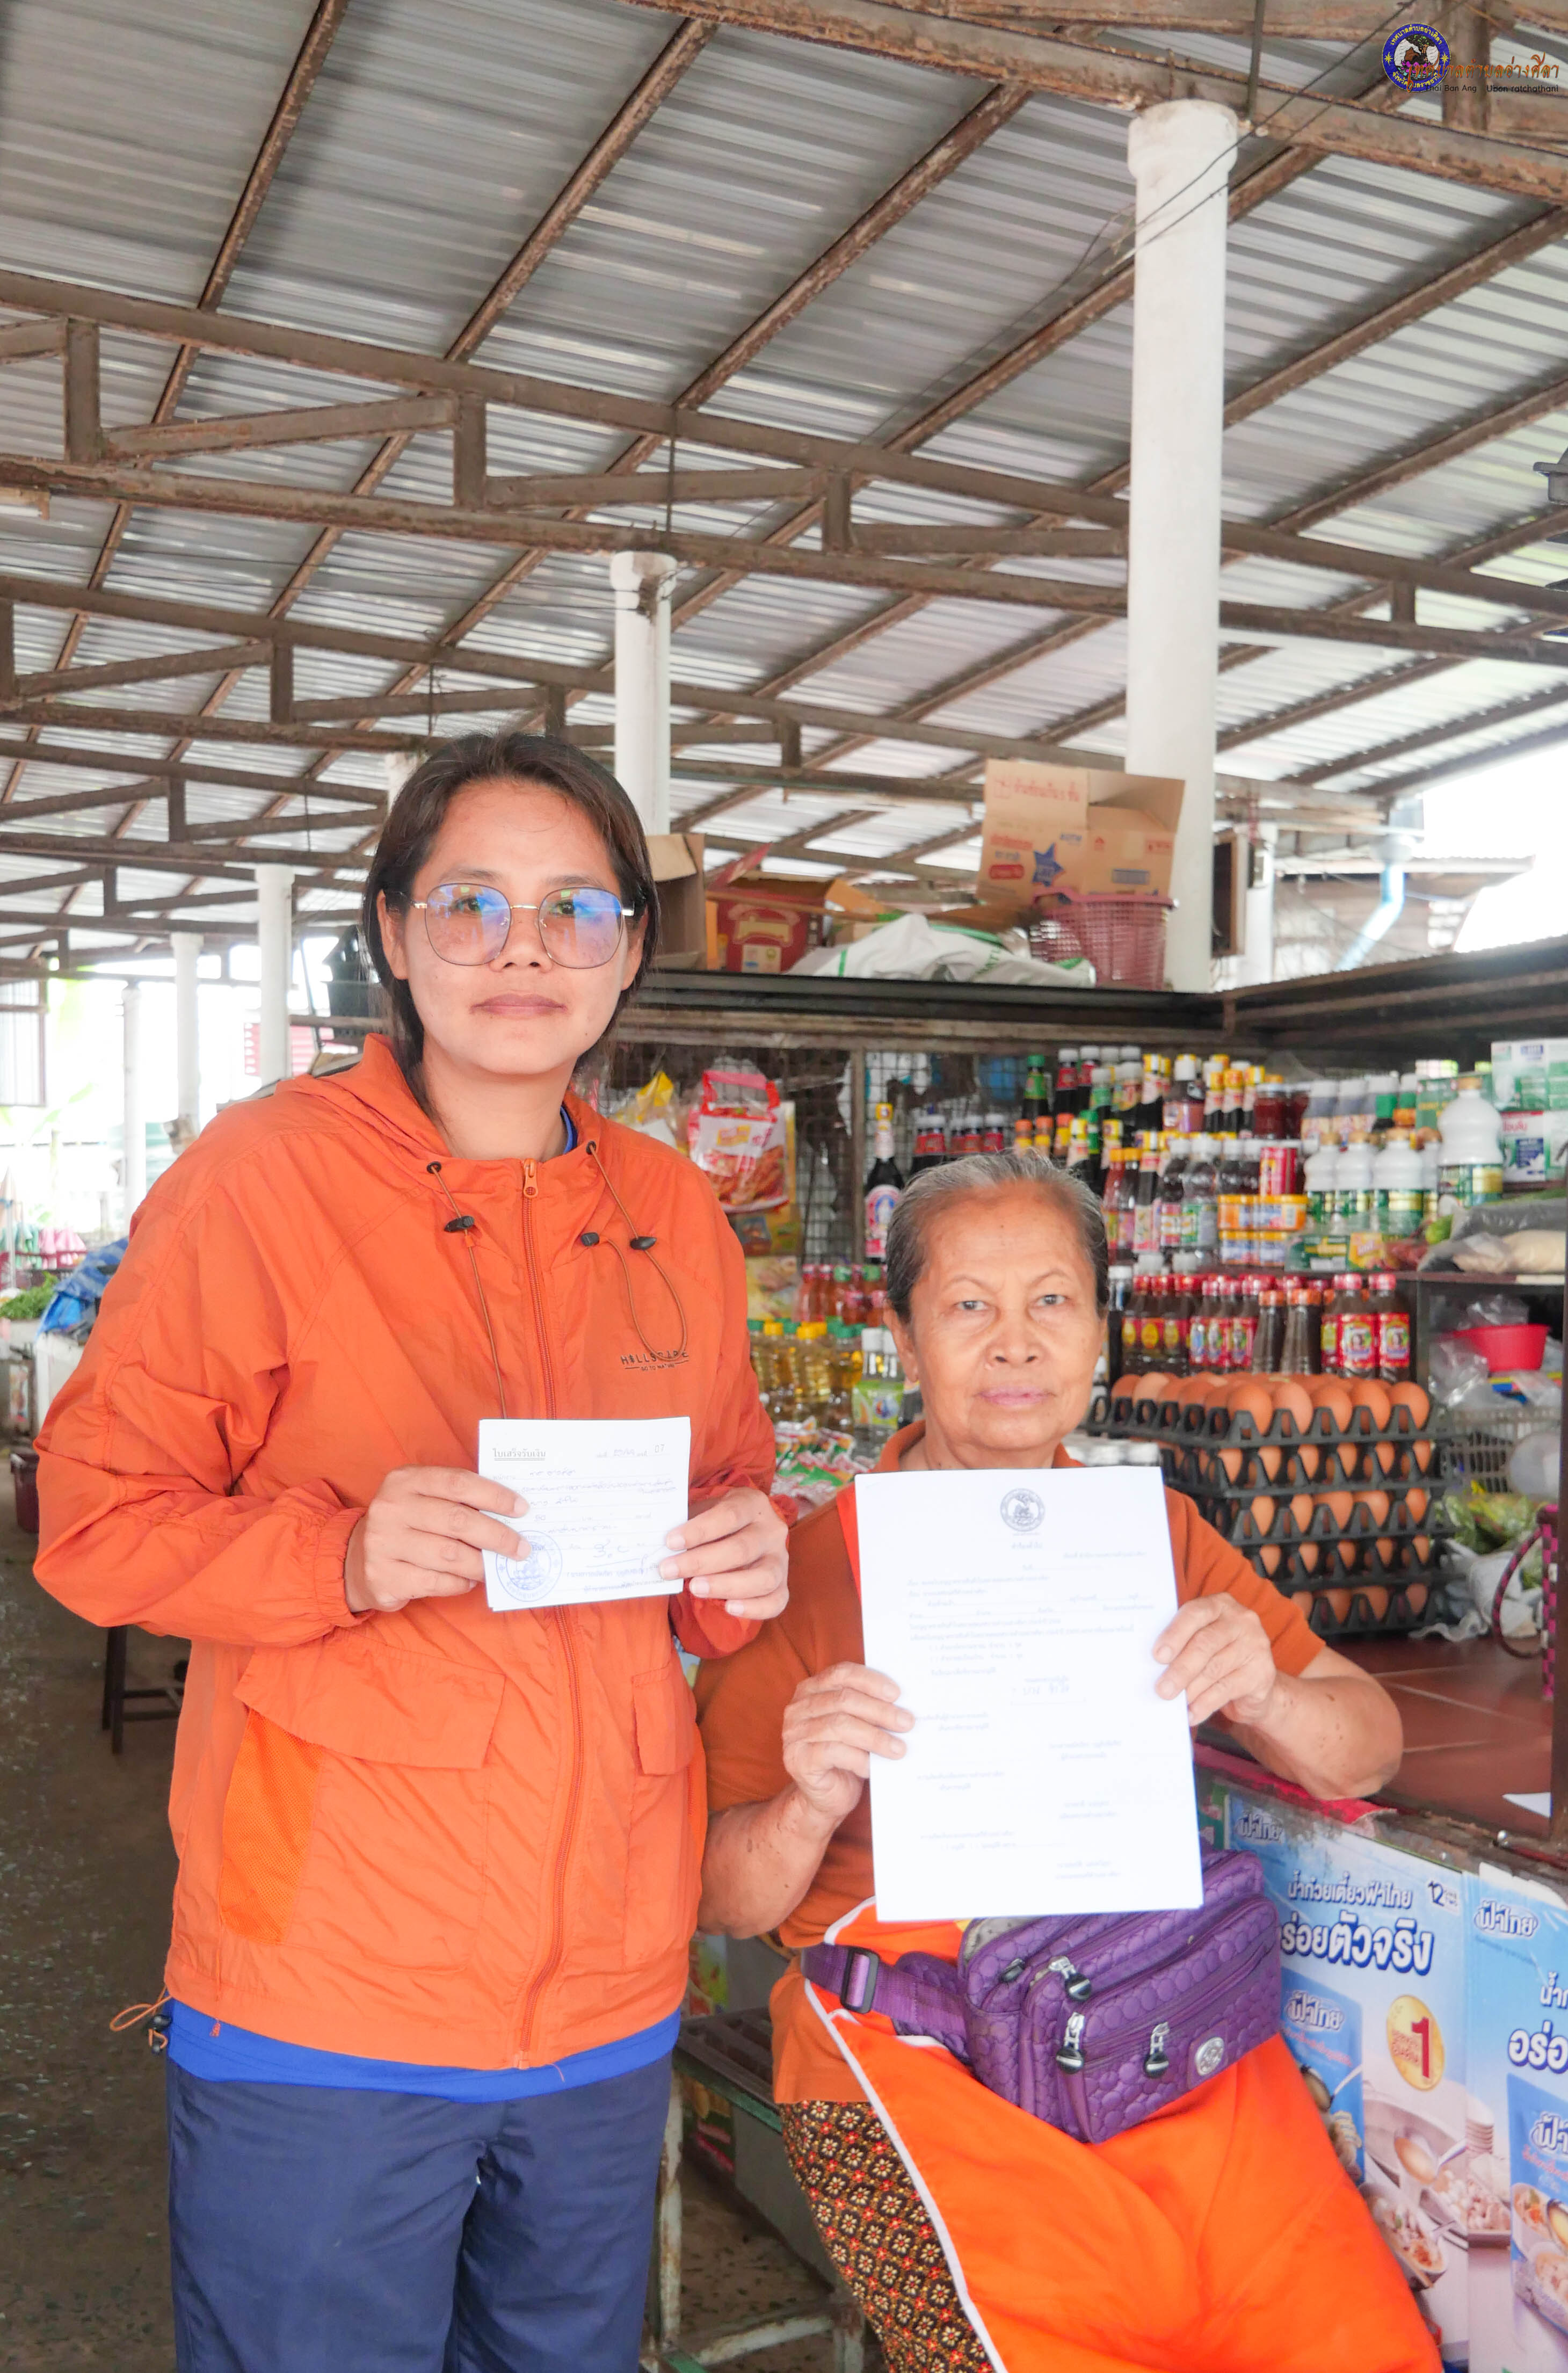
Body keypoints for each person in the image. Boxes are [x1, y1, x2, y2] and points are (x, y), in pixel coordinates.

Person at [35, 731, 789, 2373]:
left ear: (629, 948)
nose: (525, 948)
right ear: (391, 928)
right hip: (332, 1980)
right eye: (471, 901)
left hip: (607, 1971)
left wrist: (749, 1553)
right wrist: (341, 1559)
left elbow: (725, 1507)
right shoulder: (264, 1179)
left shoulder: (675, 1210)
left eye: (576, 907)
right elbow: (93, 1520)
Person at [696, 1150, 1433, 2373]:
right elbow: (719, 1899)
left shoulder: (1153, 1538)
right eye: (967, 1305)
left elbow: (1367, 1747)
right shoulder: (806, 1570)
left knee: (1340, 2339)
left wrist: (1266, 1694)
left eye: (1052, 1300)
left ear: (1099, 1329)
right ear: (902, 1333)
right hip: (910, 2040)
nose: (1016, 1342)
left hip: (1156, 2006)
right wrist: (806, 1804)